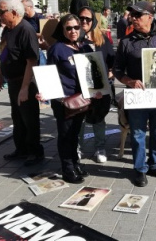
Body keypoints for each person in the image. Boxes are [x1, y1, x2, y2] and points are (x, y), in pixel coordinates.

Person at [113, 1, 156, 187]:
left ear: (150, 17)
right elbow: (117, 70)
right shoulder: (126, 42)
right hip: (137, 96)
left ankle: (155, 164)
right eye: (132, 15)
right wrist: (129, 81)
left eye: (138, 15)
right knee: (138, 133)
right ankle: (140, 169)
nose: (133, 18)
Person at [40, 14, 96, 184]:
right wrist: (45, 93)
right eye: (69, 28)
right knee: (66, 136)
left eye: (76, 27)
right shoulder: (57, 49)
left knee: (75, 135)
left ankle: (75, 163)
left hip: (82, 100)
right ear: (62, 30)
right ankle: (67, 169)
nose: (73, 31)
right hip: (63, 101)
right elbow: (49, 73)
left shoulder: (84, 47)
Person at [0, 0, 44, 166]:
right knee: (17, 118)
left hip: (25, 82)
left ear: (13, 12)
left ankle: (35, 152)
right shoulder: (8, 29)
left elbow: (31, 61)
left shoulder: (26, 30)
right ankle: (21, 149)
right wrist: (0, 73)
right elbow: (5, 54)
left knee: (29, 119)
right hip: (13, 82)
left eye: (1, 11)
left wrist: (24, 88)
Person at [77, 6, 115, 164]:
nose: (84, 21)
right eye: (81, 18)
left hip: (99, 87)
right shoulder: (75, 39)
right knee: (79, 119)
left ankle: (100, 147)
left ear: (93, 21)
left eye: (88, 19)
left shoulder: (103, 39)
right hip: (79, 86)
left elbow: (112, 61)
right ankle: (77, 148)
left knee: (98, 118)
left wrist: (110, 74)